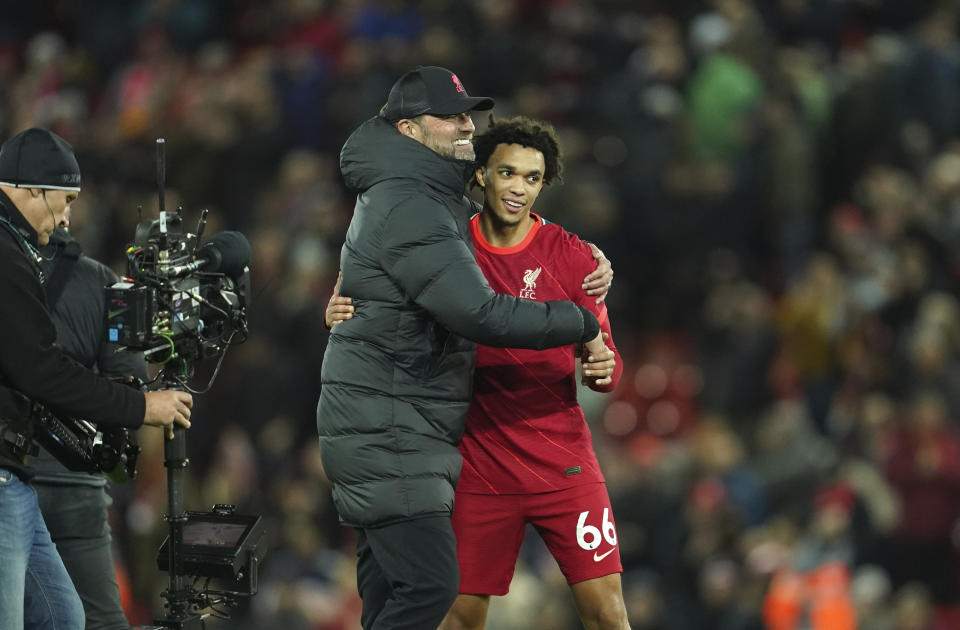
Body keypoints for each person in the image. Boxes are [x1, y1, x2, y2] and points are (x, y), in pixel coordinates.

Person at [315, 66, 615, 630]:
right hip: (400, 432)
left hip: (414, 432)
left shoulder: (430, 200)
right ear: (408, 129)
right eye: (450, 117)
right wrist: (578, 322)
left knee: (391, 597)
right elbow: (475, 311)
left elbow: (368, 282)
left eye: (467, 115)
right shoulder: (417, 206)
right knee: (432, 590)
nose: (465, 125)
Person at [0, 126, 193, 630]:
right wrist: (144, 408)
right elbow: (53, 369)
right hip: (54, 481)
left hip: (19, 476)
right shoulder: (107, 283)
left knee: (64, 616)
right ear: (28, 188)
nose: (66, 216)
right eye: (62, 201)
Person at [31, 221, 146, 630]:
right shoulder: (104, 281)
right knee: (100, 619)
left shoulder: (10, 274)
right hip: (78, 481)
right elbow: (130, 378)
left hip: (12, 477)